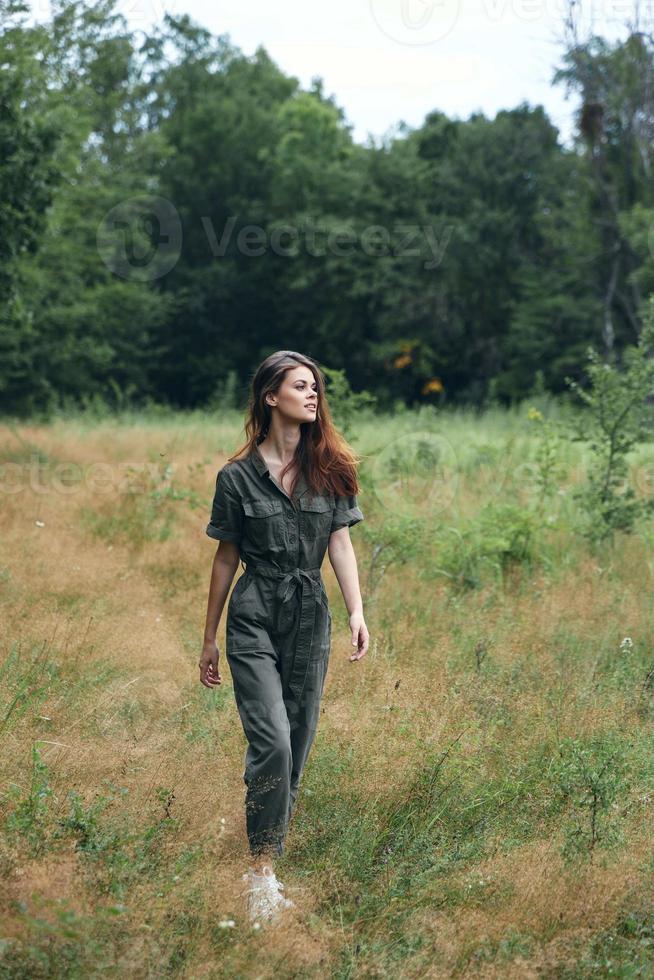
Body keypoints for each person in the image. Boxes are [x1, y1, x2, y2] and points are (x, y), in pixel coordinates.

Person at [199, 350, 369, 924]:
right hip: (254, 611)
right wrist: (208, 639)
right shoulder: (236, 476)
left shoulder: (333, 469)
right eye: (302, 386)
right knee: (271, 740)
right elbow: (226, 558)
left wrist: (356, 612)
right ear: (272, 397)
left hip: (310, 616)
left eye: (316, 387)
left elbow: (341, 542)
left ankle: (267, 869)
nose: (314, 394)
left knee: (296, 744)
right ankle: (261, 879)